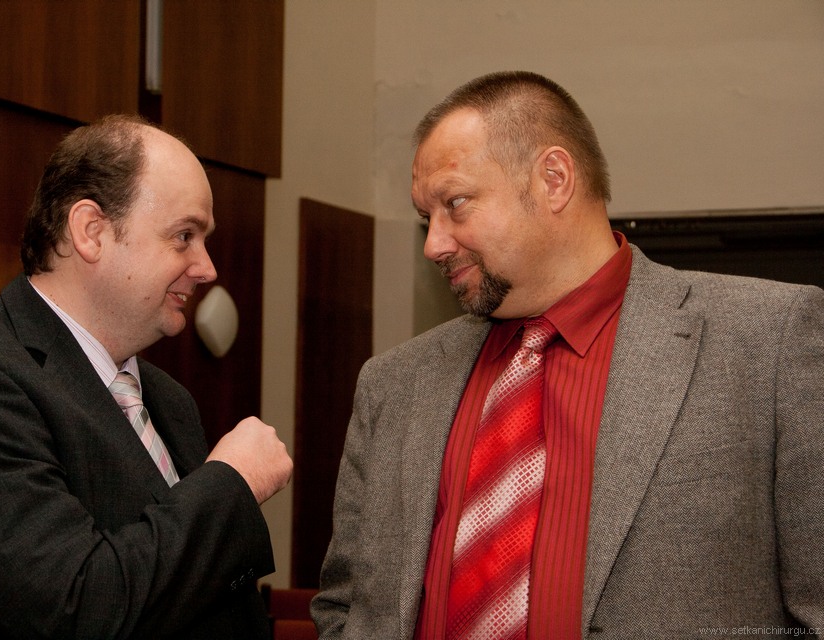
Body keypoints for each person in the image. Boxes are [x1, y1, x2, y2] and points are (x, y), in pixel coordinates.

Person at [311, 71, 824, 639]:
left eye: (455, 204)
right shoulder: (393, 383)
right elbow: (344, 605)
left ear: (553, 180)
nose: (433, 243)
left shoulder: (769, 342)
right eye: (425, 218)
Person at [0, 114, 293, 638]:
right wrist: (231, 483)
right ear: (91, 231)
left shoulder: (168, 399)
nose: (207, 268)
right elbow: (75, 608)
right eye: (184, 236)